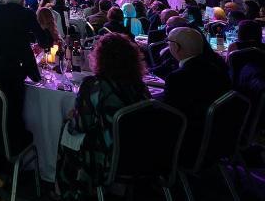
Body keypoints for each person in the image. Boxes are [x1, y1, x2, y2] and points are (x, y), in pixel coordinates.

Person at [56, 33, 151, 199]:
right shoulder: (141, 87)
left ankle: (67, 187)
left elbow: (79, 127)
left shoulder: (94, 85)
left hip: (105, 156)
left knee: (65, 132)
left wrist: (72, 116)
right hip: (139, 152)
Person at [0, 0, 52, 148]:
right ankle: (12, 143)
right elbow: (41, 41)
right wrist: (47, 33)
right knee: (12, 104)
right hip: (7, 64)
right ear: (22, 2)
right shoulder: (26, 13)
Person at [162, 27, 231, 164]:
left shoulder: (177, 78)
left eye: (168, 42)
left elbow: (169, 118)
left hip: (189, 143)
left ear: (176, 47)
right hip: (220, 138)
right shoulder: (217, 70)